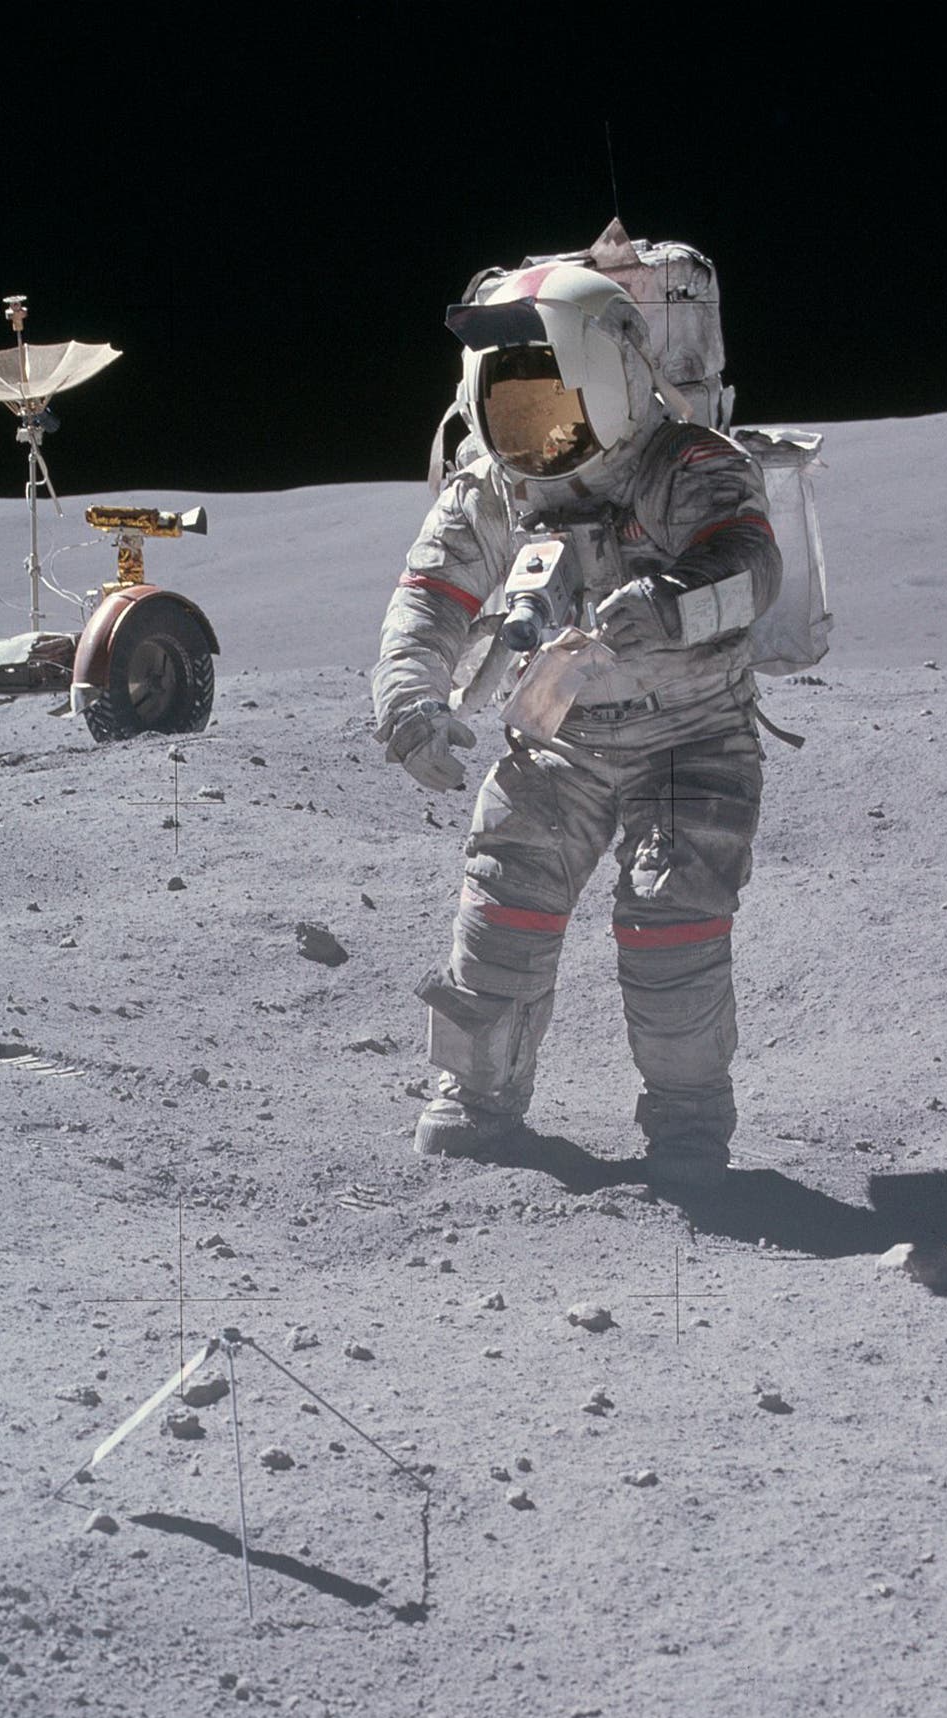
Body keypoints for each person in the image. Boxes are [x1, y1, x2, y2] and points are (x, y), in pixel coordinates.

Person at [372, 259, 781, 1186]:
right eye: (512, 403)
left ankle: (687, 1125)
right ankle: (476, 1099)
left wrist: (673, 606)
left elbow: (753, 572)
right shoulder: (492, 489)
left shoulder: (691, 467)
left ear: (610, 379)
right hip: (561, 738)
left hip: (693, 735)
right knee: (500, 903)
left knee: (668, 917)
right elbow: (426, 601)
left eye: (553, 397)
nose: (534, 426)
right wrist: (408, 699)